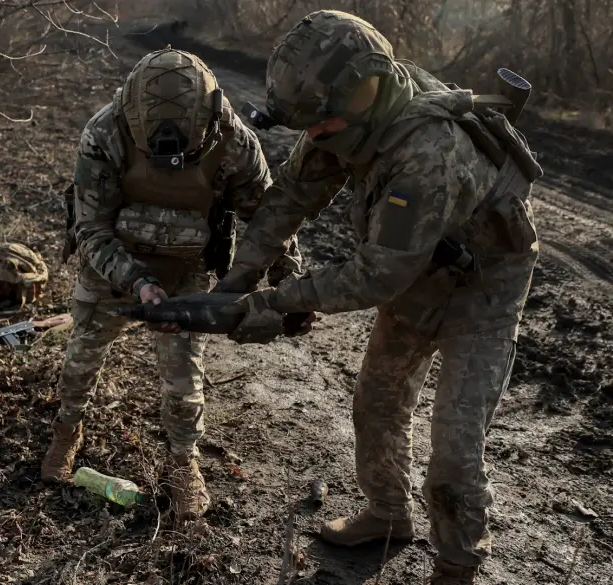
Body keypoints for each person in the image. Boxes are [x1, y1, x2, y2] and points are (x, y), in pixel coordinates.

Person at [210, 10, 542, 584]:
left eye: (321, 126)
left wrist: (272, 303)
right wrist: (238, 279)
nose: (313, 137)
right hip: (420, 268)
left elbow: (376, 275)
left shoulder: (427, 154)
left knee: (456, 447)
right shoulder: (343, 112)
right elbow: (292, 195)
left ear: (362, 95)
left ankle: (456, 565)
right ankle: (388, 514)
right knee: (378, 402)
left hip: (483, 288)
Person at [42, 46, 301, 525]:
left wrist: (292, 282)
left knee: (184, 381)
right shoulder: (106, 132)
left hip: (186, 270)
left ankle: (183, 463)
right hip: (111, 263)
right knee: (81, 358)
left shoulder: (233, 142)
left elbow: (268, 220)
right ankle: (66, 430)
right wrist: (136, 280)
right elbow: (91, 229)